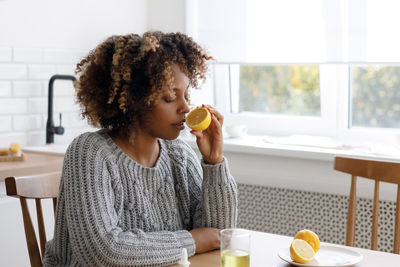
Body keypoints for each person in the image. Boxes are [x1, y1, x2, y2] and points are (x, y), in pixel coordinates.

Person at [43, 31, 238, 267]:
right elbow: (102, 252)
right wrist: (192, 240)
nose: (186, 108)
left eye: (186, 94)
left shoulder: (180, 154)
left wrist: (214, 163)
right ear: (134, 101)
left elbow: (218, 234)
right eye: (169, 98)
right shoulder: (89, 153)